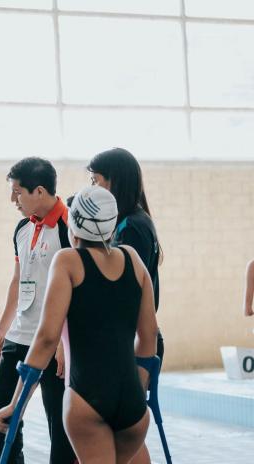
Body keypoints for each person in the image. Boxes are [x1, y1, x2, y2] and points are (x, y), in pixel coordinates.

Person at [0, 185, 159, 464]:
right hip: (132, 402)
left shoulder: (68, 261)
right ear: (111, 225)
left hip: (87, 399)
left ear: (73, 225)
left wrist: (16, 405)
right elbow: (149, 336)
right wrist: (137, 384)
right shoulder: (132, 258)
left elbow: (47, 338)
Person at [0, 158, 76, 464]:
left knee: (59, 422)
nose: (13, 200)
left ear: (39, 191)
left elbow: (77, 290)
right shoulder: (22, 229)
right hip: (20, 335)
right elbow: (18, 280)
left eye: (17, 192)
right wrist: (2, 330)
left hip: (53, 342)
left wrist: (65, 342)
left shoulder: (69, 229)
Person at [87, 148, 163, 463]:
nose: (91, 189)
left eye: (96, 181)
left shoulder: (132, 226)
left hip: (133, 341)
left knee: (122, 430)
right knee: (121, 430)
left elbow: (125, 290)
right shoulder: (131, 221)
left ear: (114, 182)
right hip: (127, 339)